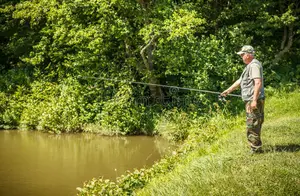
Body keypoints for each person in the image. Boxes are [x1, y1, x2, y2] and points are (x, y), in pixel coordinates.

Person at [221, 45, 265, 153]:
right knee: (254, 122)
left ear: (248, 55)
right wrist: (228, 91)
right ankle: (256, 147)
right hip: (251, 99)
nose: (241, 57)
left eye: (242, 55)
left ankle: (255, 149)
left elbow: (258, 82)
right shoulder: (249, 66)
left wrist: (254, 100)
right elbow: (240, 81)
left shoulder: (254, 65)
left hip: (253, 100)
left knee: (252, 124)